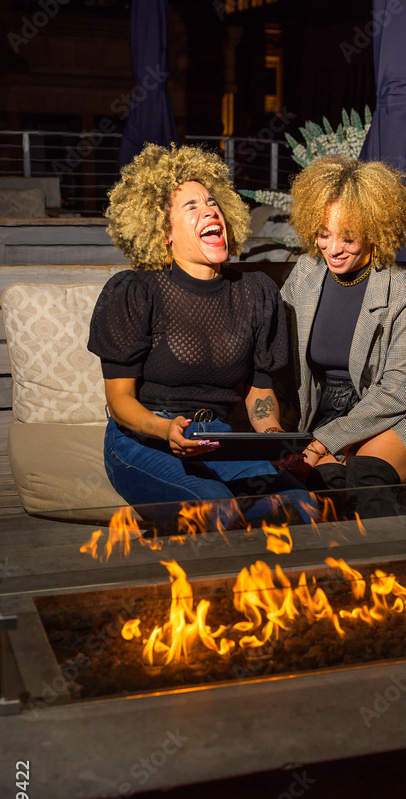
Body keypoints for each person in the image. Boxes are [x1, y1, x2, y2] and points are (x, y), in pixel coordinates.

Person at [88, 143, 314, 527]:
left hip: (220, 439)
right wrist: (166, 429)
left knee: (301, 506)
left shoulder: (255, 291)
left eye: (212, 202)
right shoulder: (135, 292)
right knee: (218, 509)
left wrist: (273, 437)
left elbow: (259, 391)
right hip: (144, 439)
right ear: (163, 233)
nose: (210, 210)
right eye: (191, 207)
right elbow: (120, 400)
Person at [281, 155, 406, 517]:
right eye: (323, 234)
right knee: (326, 486)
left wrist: (324, 441)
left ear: (376, 230)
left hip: (403, 411)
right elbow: (276, 340)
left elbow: (402, 390)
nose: (332, 249)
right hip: (327, 409)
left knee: (366, 477)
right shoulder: (306, 273)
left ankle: (399, 563)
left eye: (348, 237)